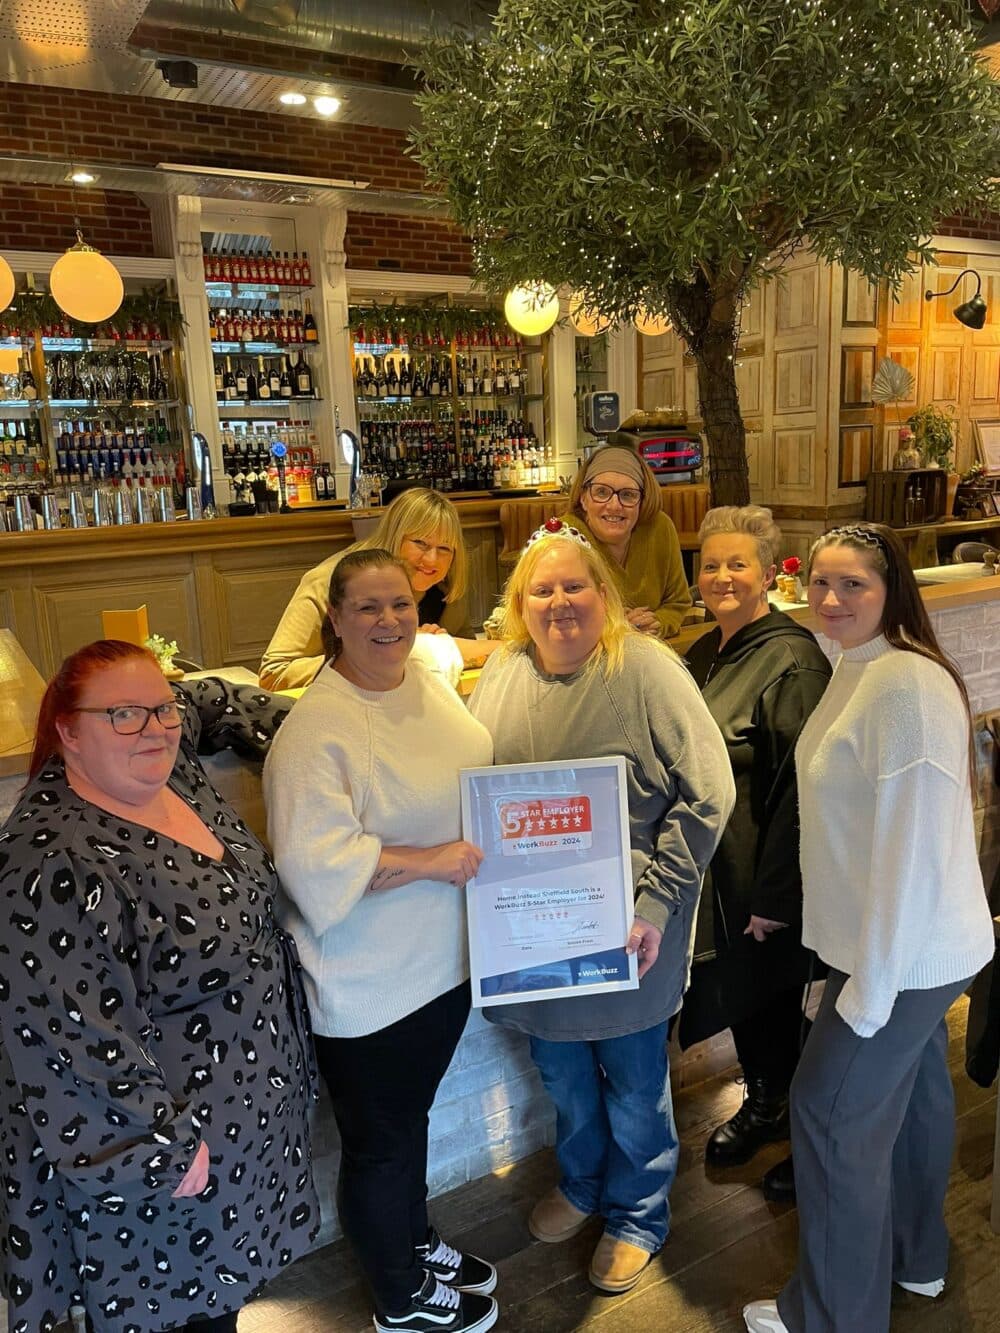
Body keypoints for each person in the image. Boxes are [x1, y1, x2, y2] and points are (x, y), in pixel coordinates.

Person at [0, 641, 319, 1333]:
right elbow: (68, 1036)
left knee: (224, 1299)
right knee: (181, 1315)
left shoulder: (173, 771)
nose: (154, 727)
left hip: (245, 1118)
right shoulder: (51, 861)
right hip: (166, 1149)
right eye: (122, 714)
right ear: (67, 730)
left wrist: (319, 727)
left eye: (159, 709)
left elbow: (205, 699)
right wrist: (160, 1148)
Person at [468, 522, 734, 1295]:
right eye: (541, 589)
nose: (559, 601)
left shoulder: (646, 668)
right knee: (560, 1071)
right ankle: (583, 1183)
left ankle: (638, 1211)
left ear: (604, 593)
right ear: (519, 604)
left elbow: (708, 793)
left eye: (574, 585)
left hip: (630, 928)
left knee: (633, 1077)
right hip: (536, 930)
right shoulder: (504, 672)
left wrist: (655, 902)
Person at [743, 524, 995, 1333]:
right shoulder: (860, 666)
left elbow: (909, 855)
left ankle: (829, 1317)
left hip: (907, 953)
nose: (830, 598)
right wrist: (842, 964)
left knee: (828, 1112)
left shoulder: (904, 685)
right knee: (912, 1092)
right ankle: (916, 1258)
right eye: (819, 580)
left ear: (892, 591)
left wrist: (869, 985)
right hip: (904, 946)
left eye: (853, 583)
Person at [263, 549, 498, 1333]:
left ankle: (412, 1239)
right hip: (368, 984)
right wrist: (430, 860)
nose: (388, 620)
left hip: (439, 964)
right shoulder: (316, 730)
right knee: (380, 1146)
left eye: (399, 603)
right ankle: (399, 1298)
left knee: (411, 1122)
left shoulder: (422, 679)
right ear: (333, 618)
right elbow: (312, 865)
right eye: (367, 607)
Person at [681, 507, 831, 1188]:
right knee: (744, 995)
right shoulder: (705, 652)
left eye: (737, 564)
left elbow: (802, 790)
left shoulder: (793, 661)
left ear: (769, 574)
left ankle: (806, 1124)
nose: (722, 576)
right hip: (719, 871)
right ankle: (767, 1102)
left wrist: (775, 896)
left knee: (774, 997)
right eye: (710, 564)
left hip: (764, 875)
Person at [259, 487, 491, 690]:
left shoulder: (445, 584)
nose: (432, 560)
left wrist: (439, 645)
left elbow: (467, 652)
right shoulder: (329, 581)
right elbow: (274, 673)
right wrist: (391, 651)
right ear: (394, 536)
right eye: (420, 543)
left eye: (444, 549)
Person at [564, 444, 691, 637]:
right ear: (583, 498)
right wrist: (610, 623)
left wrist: (656, 623)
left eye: (628, 495)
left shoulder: (660, 527)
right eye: (601, 492)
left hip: (651, 649)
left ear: (642, 500)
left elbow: (678, 602)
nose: (614, 505)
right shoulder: (563, 536)